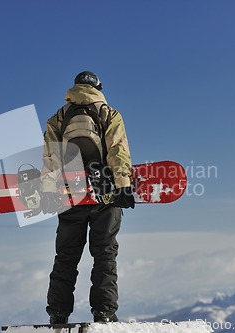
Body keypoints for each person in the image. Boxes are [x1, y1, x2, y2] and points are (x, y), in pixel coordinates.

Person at [40, 71, 135, 324]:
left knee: (66, 256)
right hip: (106, 196)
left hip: (70, 194)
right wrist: (124, 185)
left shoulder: (58, 118)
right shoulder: (109, 114)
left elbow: (50, 157)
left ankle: (58, 314)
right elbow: (118, 150)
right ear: (99, 87)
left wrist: (50, 192)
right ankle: (104, 313)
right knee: (104, 254)